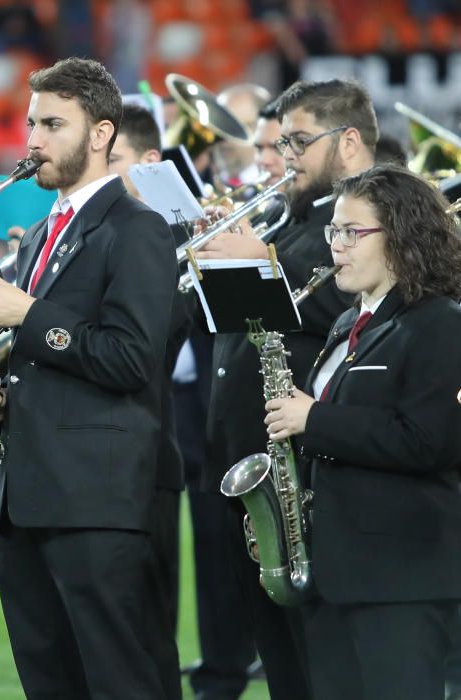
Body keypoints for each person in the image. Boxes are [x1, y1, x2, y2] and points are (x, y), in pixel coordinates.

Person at [0, 57, 178, 699]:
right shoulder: (38, 233)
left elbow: (131, 359)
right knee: (47, 679)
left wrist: (29, 315)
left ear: (102, 133)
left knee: (118, 679)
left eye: (53, 124)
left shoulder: (137, 229)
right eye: (31, 124)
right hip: (28, 494)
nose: (33, 142)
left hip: (97, 496)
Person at [196, 78, 376, 700]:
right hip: (254, 465)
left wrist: (261, 262)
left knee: (322, 658)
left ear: (348, 143)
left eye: (298, 141)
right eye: (281, 142)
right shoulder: (293, 219)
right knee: (282, 658)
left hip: (311, 469)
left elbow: (358, 308)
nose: (284, 157)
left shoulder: (370, 219)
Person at [264, 164, 461, 700]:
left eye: (353, 232)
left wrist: (314, 420)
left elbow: (430, 440)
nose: (337, 246)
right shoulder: (346, 322)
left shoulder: (441, 322)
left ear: (400, 235)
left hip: (400, 578)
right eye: (333, 231)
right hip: (335, 571)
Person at [108, 101, 187, 700]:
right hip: (104, 460)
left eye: (115, 163)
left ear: (151, 165)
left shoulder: (164, 237)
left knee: (145, 633)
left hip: (147, 454)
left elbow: (154, 345)